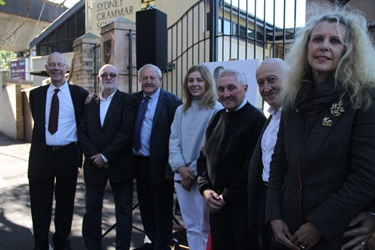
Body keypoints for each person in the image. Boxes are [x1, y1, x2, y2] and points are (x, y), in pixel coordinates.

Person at [265, 7, 375, 249]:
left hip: (336, 234)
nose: (324, 46)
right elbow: (280, 161)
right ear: (307, 48)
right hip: (288, 232)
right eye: (317, 39)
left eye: (335, 41)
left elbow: (366, 176)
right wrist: (274, 215)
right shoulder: (293, 99)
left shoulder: (362, 99)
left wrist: (319, 225)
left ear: (348, 51)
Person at [197, 68, 266, 250]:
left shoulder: (256, 120)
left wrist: (225, 197)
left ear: (245, 88)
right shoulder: (217, 117)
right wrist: (205, 189)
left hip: (241, 209)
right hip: (216, 206)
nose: (225, 94)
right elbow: (204, 158)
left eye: (231, 88)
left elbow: (252, 167)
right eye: (221, 89)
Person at [28, 52, 89, 250]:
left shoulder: (80, 95)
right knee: (40, 206)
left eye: (59, 65)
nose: (56, 68)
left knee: (65, 206)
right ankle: (41, 245)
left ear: (66, 69)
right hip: (41, 157)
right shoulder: (35, 95)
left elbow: (87, 120)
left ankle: (62, 244)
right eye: (52, 65)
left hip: (68, 156)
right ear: (47, 68)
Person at [78, 64, 137, 249]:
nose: (109, 77)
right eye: (105, 75)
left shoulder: (128, 101)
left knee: (124, 212)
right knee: (92, 212)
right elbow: (82, 133)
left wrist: (105, 156)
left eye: (113, 75)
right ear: (99, 79)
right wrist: (94, 155)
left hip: (120, 164)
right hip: (93, 165)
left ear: (118, 78)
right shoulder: (90, 103)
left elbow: (126, 132)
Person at [169, 64, 223, 250]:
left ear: (207, 82)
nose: (195, 84)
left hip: (201, 178)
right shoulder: (180, 110)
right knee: (191, 226)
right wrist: (179, 168)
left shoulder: (216, 109)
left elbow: (210, 146)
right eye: (191, 80)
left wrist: (191, 172)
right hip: (182, 176)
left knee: (205, 228)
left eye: (199, 80)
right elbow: (174, 140)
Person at [132, 64, 182, 250]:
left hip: (161, 166)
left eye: (152, 78)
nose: (149, 81)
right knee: (145, 209)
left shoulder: (171, 101)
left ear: (160, 80)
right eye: (145, 78)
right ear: (140, 80)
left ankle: (162, 245)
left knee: (161, 209)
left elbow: (177, 136)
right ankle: (153, 241)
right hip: (139, 164)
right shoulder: (134, 100)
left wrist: (171, 167)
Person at [248, 58, 289, 250]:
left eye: (272, 80)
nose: (266, 88)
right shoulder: (271, 116)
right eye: (261, 83)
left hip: (287, 204)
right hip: (264, 198)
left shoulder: (299, 115)